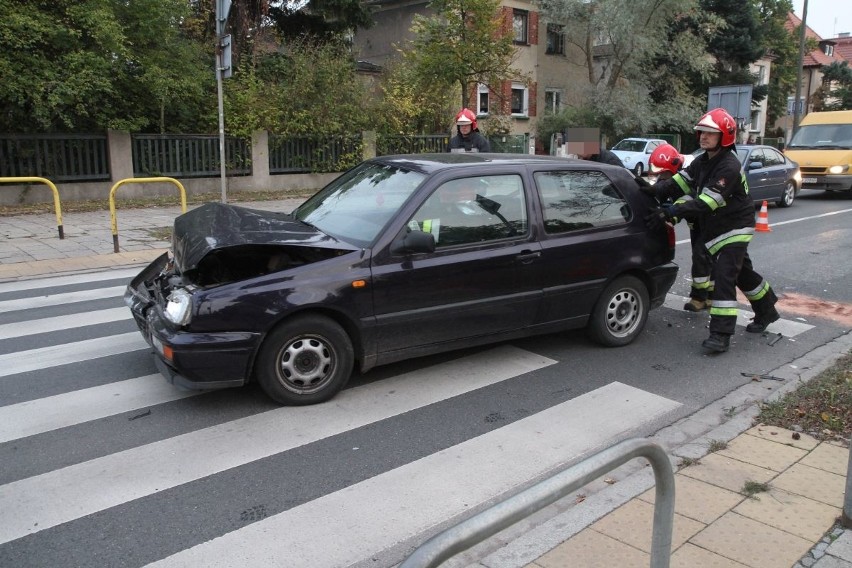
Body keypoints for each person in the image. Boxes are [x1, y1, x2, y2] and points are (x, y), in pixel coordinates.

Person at [641, 108, 779, 353]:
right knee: (743, 273)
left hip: (735, 226)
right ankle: (767, 309)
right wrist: (653, 190)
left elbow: (707, 202)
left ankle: (721, 334)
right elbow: (680, 182)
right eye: (701, 132)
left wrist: (671, 211)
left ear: (724, 136)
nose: (703, 136)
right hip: (718, 227)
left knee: (725, 276)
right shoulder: (702, 162)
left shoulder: (728, 166)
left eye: (710, 133)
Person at [647, 143, 713, 312]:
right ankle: (710, 296)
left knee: (701, 257)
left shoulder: (691, 179)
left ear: (673, 168)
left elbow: (684, 202)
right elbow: (665, 195)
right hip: (697, 223)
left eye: (663, 174)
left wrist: (670, 217)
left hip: (708, 223)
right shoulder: (676, 177)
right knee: (704, 258)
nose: (660, 178)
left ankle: (700, 298)